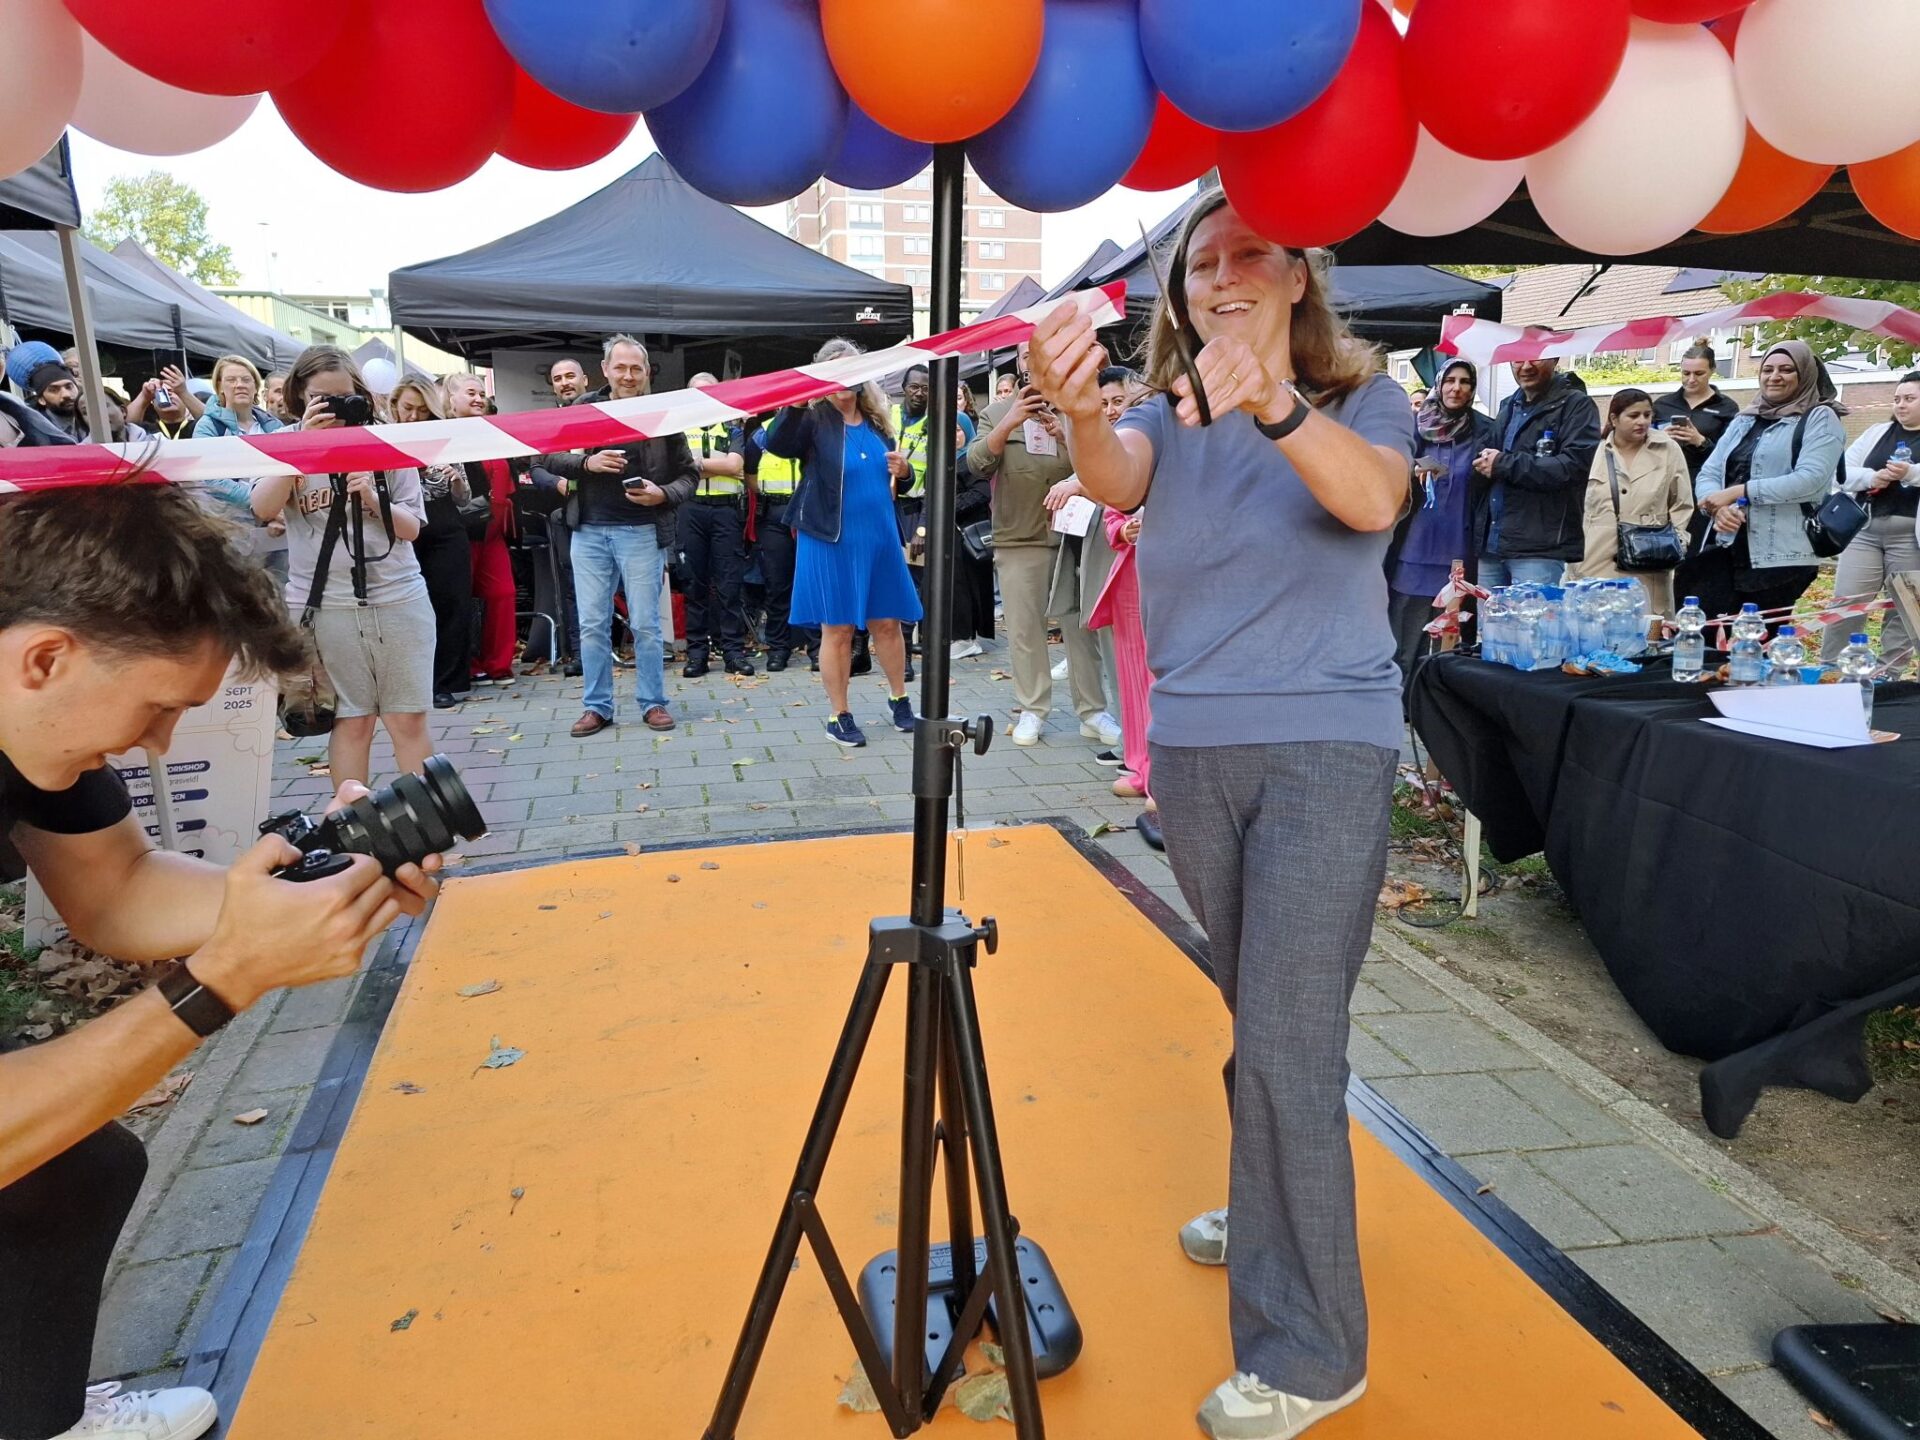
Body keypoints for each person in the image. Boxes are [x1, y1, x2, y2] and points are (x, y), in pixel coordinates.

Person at [1027, 190, 1416, 1440]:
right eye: (1202, 261)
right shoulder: (1165, 413)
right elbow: (1113, 474)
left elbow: (1371, 504)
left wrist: (1275, 404)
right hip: (1196, 752)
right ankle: (1266, 1210)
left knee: (1293, 1036)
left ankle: (1310, 1351)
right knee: (1261, 1007)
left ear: (1302, 273)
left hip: (1326, 752)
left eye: (1253, 252)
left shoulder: (1365, 397)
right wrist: (1083, 406)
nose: (1224, 274)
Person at [0, 480, 436, 1440]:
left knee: (75, 1169)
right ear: (44, 658)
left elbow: (113, 888)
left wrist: (310, 885)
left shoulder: (32, 723)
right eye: (159, 708)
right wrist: (227, 975)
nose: (159, 743)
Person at [251, 347, 435, 787]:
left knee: (407, 720)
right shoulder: (285, 442)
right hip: (325, 606)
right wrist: (302, 450)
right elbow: (261, 506)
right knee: (352, 723)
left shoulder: (384, 440)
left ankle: (432, 827)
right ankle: (357, 830)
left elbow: (412, 529)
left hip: (398, 596)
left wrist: (373, 497)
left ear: (361, 394)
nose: (333, 408)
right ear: (299, 395)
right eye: (321, 398)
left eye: (343, 397)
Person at [763, 338, 920, 748]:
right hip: (832, 538)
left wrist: (904, 473)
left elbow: (900, 480)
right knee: (840, 629)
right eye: (836, 370)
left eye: (852, 369)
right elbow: (777, 443)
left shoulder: (879, 421)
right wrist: (799, 400)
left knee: (888, 622)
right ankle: (839, 715)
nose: (845, 378)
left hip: (881, 537)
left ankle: (899, 699)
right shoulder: (812, 419)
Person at [539, 336, 695, 737]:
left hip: (641, 531)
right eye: (620, 367)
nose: (628, 375)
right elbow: (549, 457)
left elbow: (689, 474)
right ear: (605, 369)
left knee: (645, 624)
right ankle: (597, 707)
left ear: (647, 372)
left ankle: (653, 702)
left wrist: (663, 494)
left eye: (636, 368)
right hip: (588, 531)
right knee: (592, 623)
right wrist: (587, 462)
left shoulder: (663, 413)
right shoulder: (583, 407)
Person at [968, 343, 1116, 749]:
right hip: (1019, 536)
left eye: (1040, 352)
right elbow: (976, 463)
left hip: (1076, 536)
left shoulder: (1076, 409)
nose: (1033, 360)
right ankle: (1033, 709)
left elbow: (1103, 463)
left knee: (1081, 626)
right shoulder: (996, 412)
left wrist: (1064, 434)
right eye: (1025, 354)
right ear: (1020, 363)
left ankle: (1093, 712)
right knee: (1024, 628)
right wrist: (1010, 420)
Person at [1693, 340, 1848, 627]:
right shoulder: (1746, 418)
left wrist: (1740, 492)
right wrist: (1717, 508)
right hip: (1728, 544)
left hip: (1780, 554)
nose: (1774, 376)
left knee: (1761, 642)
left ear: (1805, 375)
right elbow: (1709, 472)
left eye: (1786, 369)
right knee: (1712, 639)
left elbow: (1810, 480)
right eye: (1768, 369)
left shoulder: (1820, 418)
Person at [1384, 359, 1492, 707]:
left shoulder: (1485, 431)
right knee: (1404, 630)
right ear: (1439, 384)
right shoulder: (1417, 427)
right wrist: (1412, 468)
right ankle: (1395, 703)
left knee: (1446, 632)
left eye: (1465, 382)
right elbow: (1390, 465)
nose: (1457, 388)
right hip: (1415, 545)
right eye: (1451, 380)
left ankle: (1429, 705)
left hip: (1459, 548)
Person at [1470, 356, 1599, 588]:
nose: (1526, 366)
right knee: (1490, 624)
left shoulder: (1576, 405)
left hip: (1539, 548)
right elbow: (1485, 453)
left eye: (1536, 358)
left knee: (1535, 623)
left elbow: (1572, 466)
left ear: (1555, 359)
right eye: (1518, 359)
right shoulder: (1509, 405)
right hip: (1493, 543)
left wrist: (1502, 464)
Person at [1821, 371, 1920, 666]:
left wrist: (1910, 474)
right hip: (1864, 531)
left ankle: (1891, 670)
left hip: (1910, 538)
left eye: (1910, 399)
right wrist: (1872, 476)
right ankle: (1831, 667)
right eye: (1897, 399)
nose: (1901, 405)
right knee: (1847, 601)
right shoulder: (1877, 432)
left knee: (1904, 607)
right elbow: (1842, 473)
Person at [390, 379, 476, 710]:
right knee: (408, 610)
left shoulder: (444, 437)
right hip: (401, 532)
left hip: (445, 529)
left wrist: (455, 478)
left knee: (451, 604)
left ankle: (448, 682)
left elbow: (465, 499)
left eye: (422, 410)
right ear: (395, 404)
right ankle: (413, 682)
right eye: (408, 408)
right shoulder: (383, 437)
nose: (413, 417)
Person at [1572, 388, 1693, 618]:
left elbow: (1682, 503)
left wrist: (1678, 541)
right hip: (1597, 557)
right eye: (1633, 415)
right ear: (1614, 419)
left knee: (1647, 636)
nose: (1642, 421)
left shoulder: (1668, 449)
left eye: (1647, 415)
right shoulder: (1593, 450)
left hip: (1649, 559)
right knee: (1596, 633)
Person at [444, 373, 518, 686]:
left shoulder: (493, 432)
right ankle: (470, 666)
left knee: (503, 594)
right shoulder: (445, 434)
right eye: (471, 393)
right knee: (463, 599)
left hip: (493, 532)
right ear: (451, 400)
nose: (478, 399)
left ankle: (499, 664)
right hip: (462, 531)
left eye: (481, 394)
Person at [680, 376, 754, 678]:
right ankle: (697, 654)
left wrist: (696, 464)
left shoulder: (732, 428)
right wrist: (711, 465)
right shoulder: (680, 430)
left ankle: (733, 652)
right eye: (698, 392)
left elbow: (735, 465)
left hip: (725, 511)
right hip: (690, 510)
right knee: (692, 583)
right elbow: (676, 466)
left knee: (729, 584)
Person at [193, 355, 291, 580]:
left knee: (280, 586)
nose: (239, 384)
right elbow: (212, 478)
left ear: (256, 386)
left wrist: (277, 509)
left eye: (246, 379)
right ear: (219, 386)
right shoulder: (208, 426)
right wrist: (262, 503)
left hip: (277, 525)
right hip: (230, 527)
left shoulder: (273, 425)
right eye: (231, 379)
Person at [748, 412, 818, 673]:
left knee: (811, 581)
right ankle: (778, 648)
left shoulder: (814, 430)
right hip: (774, 515)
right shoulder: (761, 435)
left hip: (808, 513)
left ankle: (817, 649)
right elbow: (750, 474)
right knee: (777, 584)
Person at [125, 365, 204, 436]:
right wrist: (144, 397)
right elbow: (125, 426)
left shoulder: (197, 427)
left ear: (184, 400)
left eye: (172, 392)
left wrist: (183, 392)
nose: (168, 395)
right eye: (162, 392)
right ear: (153, 402)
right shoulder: (146, 431)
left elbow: (213, 421)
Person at [22, 356, 85, 441]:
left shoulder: (93, 421)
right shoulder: (30, 432)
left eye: (69, 387)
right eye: (54, 390)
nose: (66, 394)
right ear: (41, 400)